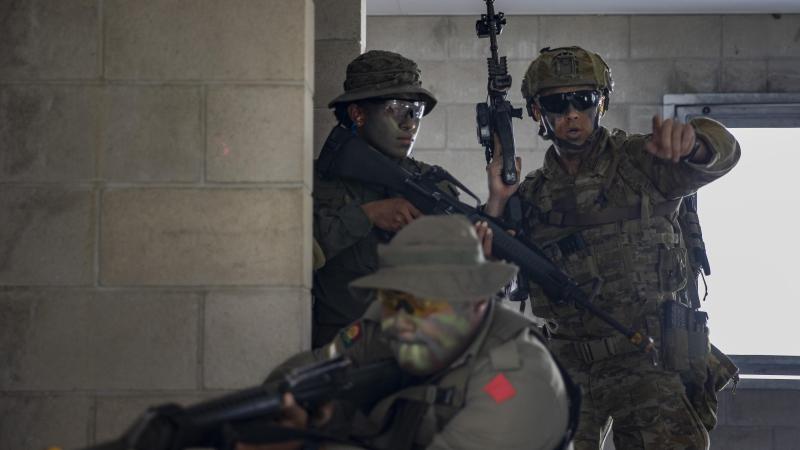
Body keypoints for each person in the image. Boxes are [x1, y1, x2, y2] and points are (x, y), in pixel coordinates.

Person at [484, 46, 741, 450]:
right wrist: (497, 203)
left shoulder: (642, 161)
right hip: (566, 360)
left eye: (583, 99)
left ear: (601, 102)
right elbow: (497, 284)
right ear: (537, 113)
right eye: (556, 102)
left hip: (647, 358)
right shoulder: (530, 195)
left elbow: (722, 154)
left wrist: (696, 145)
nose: (571, 113)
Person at [238, 215, 576, 450]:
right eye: (393, 300)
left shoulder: (518, 382)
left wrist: (312, 438)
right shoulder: (392, 322)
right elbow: (307, 370)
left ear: (475, 301)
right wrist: (279, 409)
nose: (399, 322)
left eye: (424, 305)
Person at [313, 50, 457, 348]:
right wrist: (366, 215)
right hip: (341, 354)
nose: (409, 123)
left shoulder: (435, 186)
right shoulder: (317, 182)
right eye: (396, 108)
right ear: (358, 114)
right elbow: (290, 258)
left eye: (415, 110)